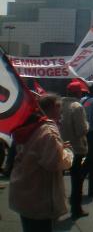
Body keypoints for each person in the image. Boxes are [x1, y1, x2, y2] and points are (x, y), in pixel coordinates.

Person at [9, 95, 73, 232]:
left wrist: (59, 147)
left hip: (24, 190)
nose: (61, 111)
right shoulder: (48, 131)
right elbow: (55, 162)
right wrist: (67, 152)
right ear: (52, 107)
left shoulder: (31, 124)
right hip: (38, 197)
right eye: (59, 107)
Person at [60, 81, 90, 219]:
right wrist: (87, 125)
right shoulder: (77, 107)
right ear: (78, 93)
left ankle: (56, 207)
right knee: (76, 181)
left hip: (59, 146)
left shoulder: (58, 104)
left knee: (56, 180)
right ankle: (76, 209)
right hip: (76, 148)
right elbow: (81, 130)